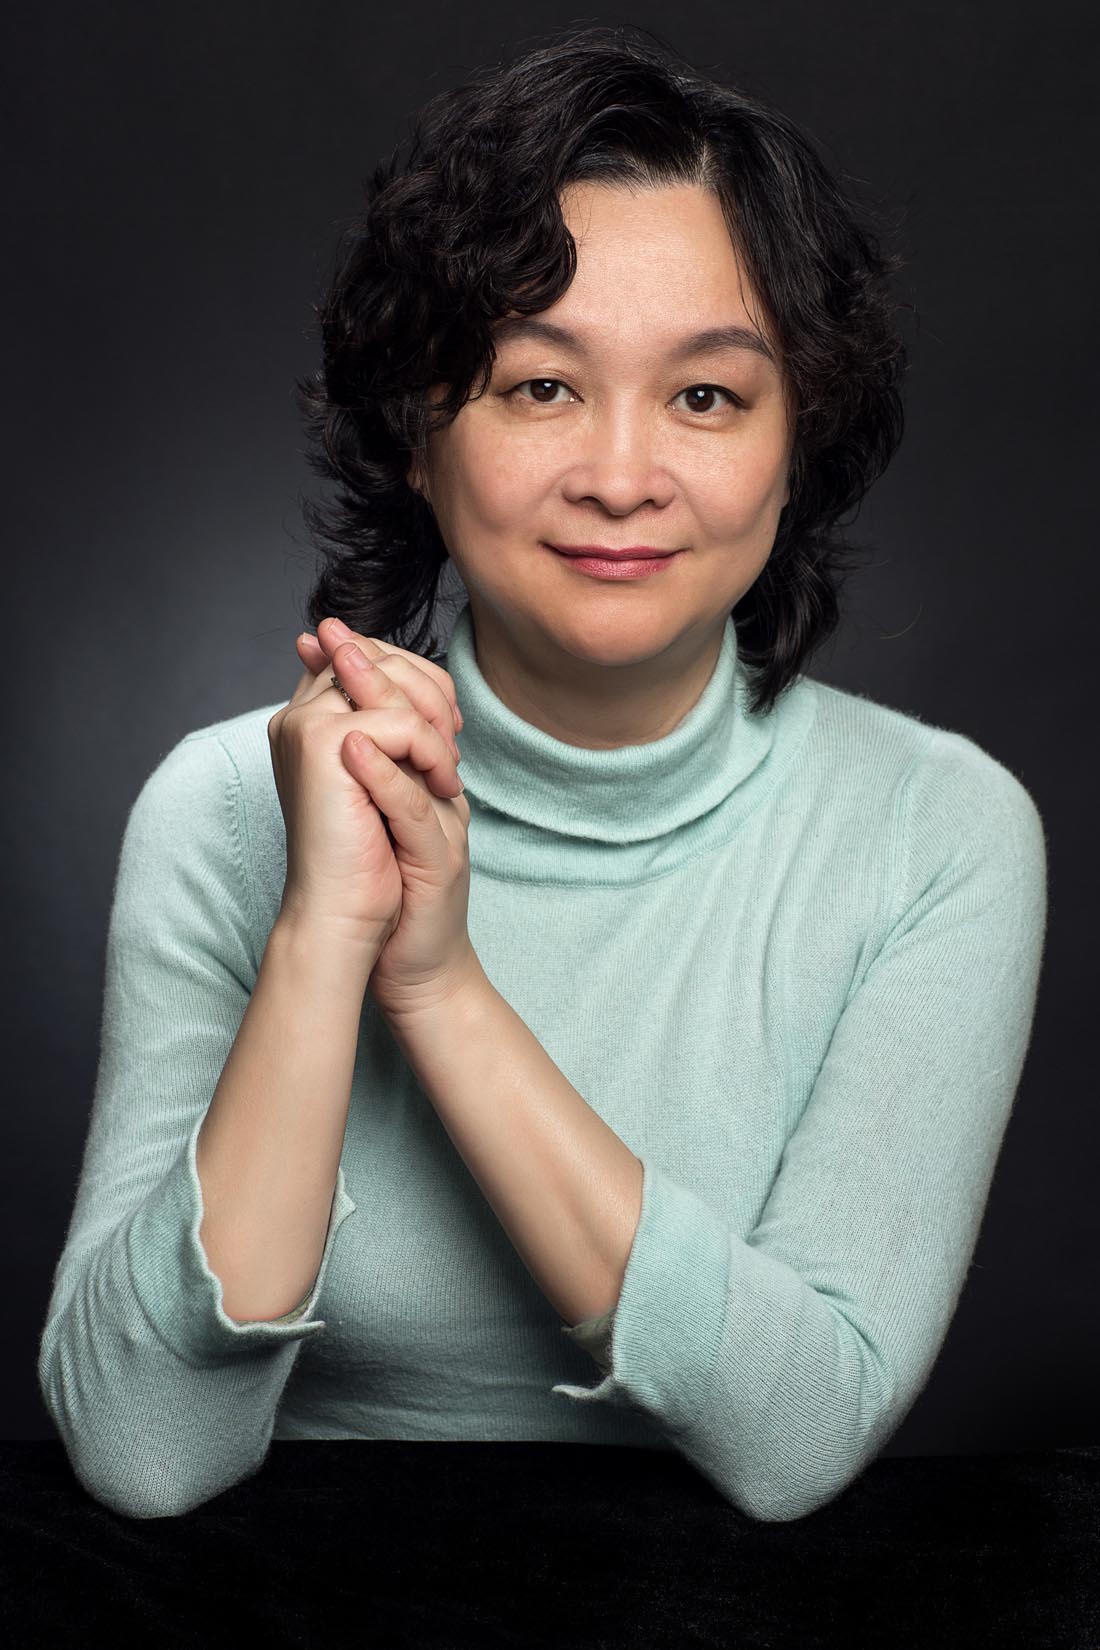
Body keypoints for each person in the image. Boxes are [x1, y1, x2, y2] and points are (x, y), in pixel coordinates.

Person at [37, 23, 1047, 1524]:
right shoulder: (227, 806)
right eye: (539, 387)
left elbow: (798, 1438)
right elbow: (145, 1454)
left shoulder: (933, 830)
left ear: (798, 446)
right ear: (417, 434)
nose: (621, 477)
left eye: (707, 397)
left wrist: (442, 989)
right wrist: (324, 935)